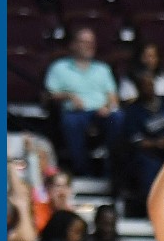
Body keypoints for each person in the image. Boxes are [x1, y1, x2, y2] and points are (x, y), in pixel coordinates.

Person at [44, 27, 125, 175]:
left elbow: (113, 96)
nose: (90, 45)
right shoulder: (59, 67)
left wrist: (108, 107)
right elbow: (49, 95)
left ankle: (112, 172)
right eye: (84, 41)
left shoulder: (103, 69)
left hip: (101, 112)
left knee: (118, 117)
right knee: (71, 122)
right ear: (73, 44)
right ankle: (83, 171)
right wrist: (68, 96)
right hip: (75, 112)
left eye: (92, 42)